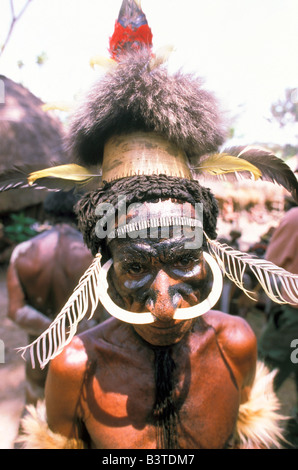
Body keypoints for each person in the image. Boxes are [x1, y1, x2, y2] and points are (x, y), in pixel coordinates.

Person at [13, 0, 298, 449]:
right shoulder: (74, 368)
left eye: (184, 261)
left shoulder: (236, 343)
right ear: (105, 265)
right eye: (135, 268)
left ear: (208, 256)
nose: (164, 307)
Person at [7, 190, 107, 406]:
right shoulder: (96, 255)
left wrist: (52, 331)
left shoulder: (22, 251)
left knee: (35, 411)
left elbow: (16, 311)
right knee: (82, 412)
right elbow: (106, 312)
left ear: (48, 215)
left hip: (39, 353)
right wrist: (70, 332)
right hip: (83, 351)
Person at [258, 204, 298, 445]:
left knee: (264, 376)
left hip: (292, 320)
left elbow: (269, 268)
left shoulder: (294, 218)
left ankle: (249, 433)